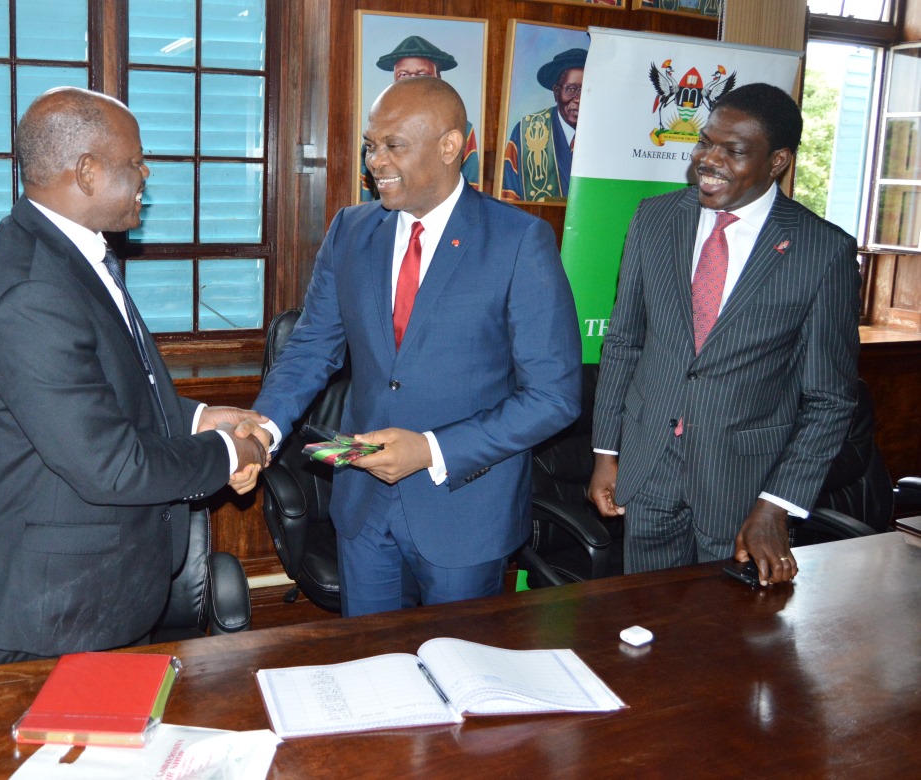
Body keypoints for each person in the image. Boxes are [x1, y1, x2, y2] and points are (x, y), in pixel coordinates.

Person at [0, 87, 266, 666]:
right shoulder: (36, 290)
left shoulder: (71, 252)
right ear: (87, 172)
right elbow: (111, 466)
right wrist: (227, 453)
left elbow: (102, 387)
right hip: (47, 614)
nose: (145, 172)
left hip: (97, 596)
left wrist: (197, 416)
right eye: (134, 159)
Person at [253, 77, 582, 617]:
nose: (373, 161)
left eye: (392, 145)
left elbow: (554, 397)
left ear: (450, 147)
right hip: (362, 507)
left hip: (464, 509)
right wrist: (263, 427)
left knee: (459, 670)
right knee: (375, 668)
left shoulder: (518, 241)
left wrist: (431, 449)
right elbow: (312, 346)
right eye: (370, 144)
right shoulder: (350, 230)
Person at [588, 83, 860, 585]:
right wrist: (608, 453)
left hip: (743, 491)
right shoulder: (655, 218)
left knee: (723, 646)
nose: (707, 161)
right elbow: (624, 343)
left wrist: (777, 504)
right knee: (647, 632)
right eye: (704, 143)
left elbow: (830, 400)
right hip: (647, 477)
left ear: (777, 161)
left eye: (732, 151)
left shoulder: (823, 252)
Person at [360, 35, 479, 200]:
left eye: (394, 145)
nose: (376, 161)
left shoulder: (461, 127)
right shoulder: (377, 131)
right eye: (403, 75)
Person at [501, 48, 586, 203]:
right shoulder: (525, 132)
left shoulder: (604, 136)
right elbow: (509, 201)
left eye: (587, 90)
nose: (579, 99)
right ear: (556, 92)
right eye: (572, 89)